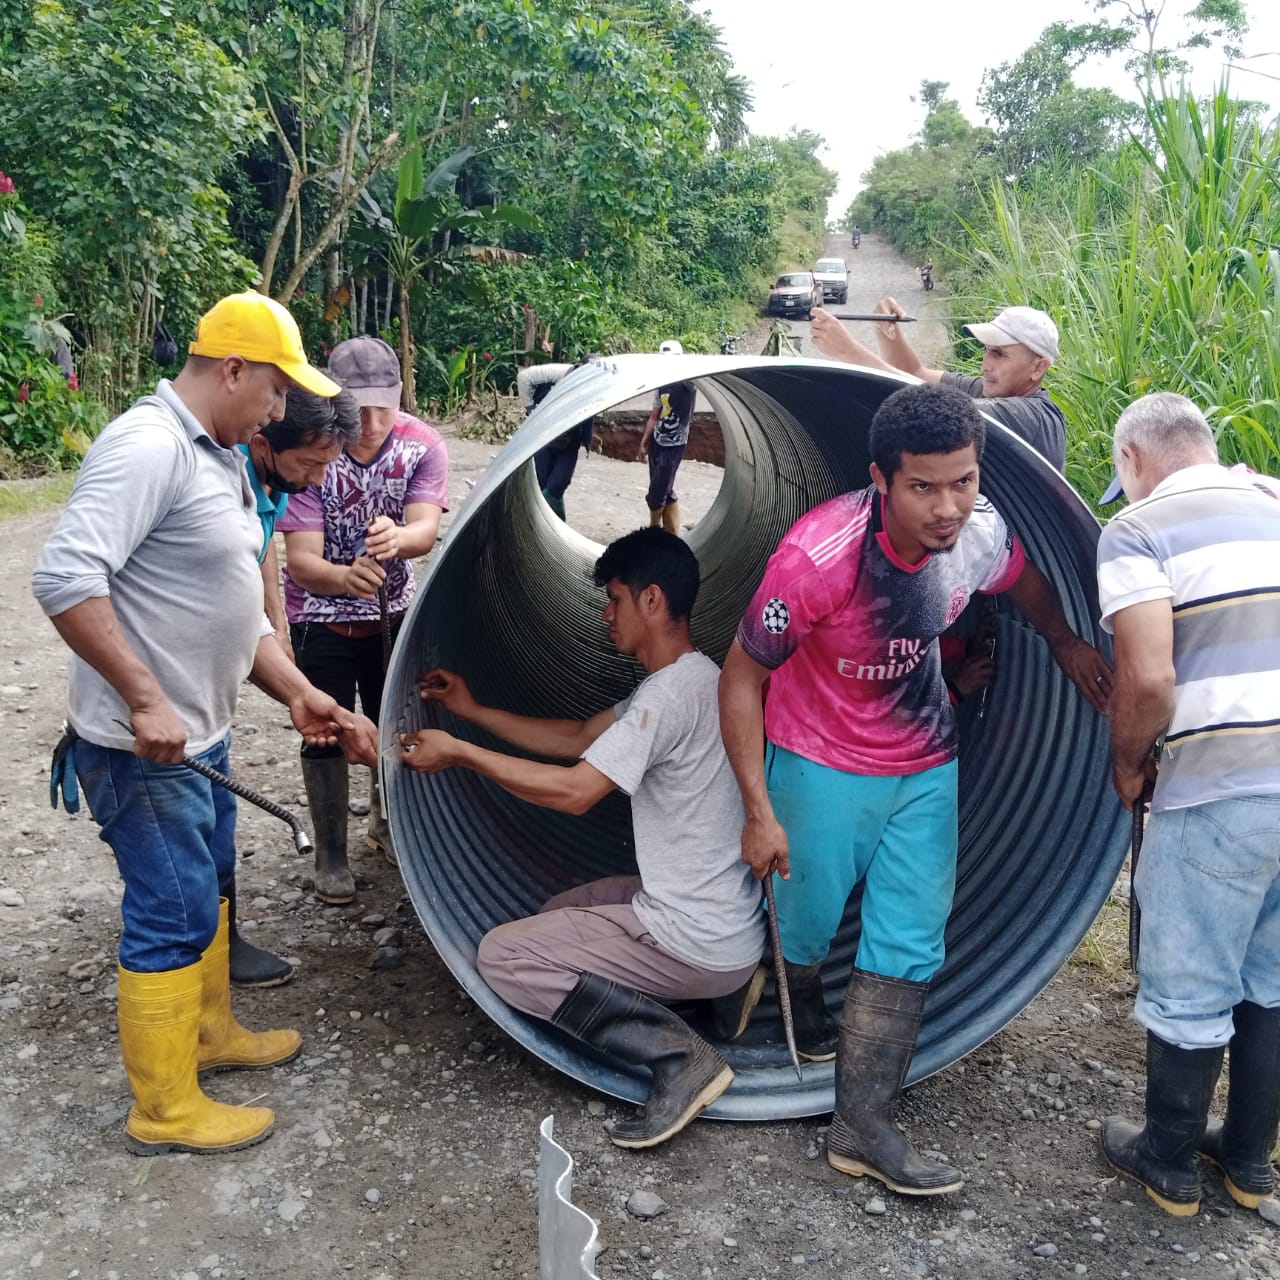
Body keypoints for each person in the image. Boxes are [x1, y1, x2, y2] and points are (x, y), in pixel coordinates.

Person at [717, 382, 1111, 1196]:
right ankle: (798, 994)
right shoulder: (818, 560)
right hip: (821, 762)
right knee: (808, 919)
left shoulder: (978, 533)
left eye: (963, 481)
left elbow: (1025, 581)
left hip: (926, 762)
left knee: (911, 939)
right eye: (924, 487)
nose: (947, 507)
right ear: (880, 479)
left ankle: (862, 1128)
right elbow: (741, 677)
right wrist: (758, 809)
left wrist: (1066, 641)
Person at [31, 291, 379, 1156]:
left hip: (201, 735)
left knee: (212, 887)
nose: (276, 410)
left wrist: (297, 691)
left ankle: (211, 1033)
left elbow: (235, 608)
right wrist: (144, 696)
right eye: (274, 391)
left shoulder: (215, 455)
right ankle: (163, 1110)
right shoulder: (147, 448)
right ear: (231, 370)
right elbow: (66, 576)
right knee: (173, 910)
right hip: (146, 748)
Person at [400, 528, 765, 1149]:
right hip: (728, 927)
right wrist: (472, 711)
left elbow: (575, 791)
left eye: (615, 599)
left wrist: (462, 753)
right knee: (560, 913)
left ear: (652, 600)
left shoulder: (668, 697)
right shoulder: (696, 678)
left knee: (507, 956)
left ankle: (679, 1057)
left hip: (693, 938)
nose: (606, 614)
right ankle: (724, 996)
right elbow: (575, 738)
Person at [1094, 392, 1280, 1218]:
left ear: (1132, 459)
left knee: (1190, 978)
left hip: (1220, 787)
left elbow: (1148, 676)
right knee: (1270, 977)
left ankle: (1167, 1162)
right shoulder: (1274, 500)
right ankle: (1249, 1161)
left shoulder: (1139, 530)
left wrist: (1129, 763)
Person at [279, 335, 449, 903]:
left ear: (400, 396)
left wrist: (398, 539)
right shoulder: (312, 450)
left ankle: (386, 822)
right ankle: (330, 853)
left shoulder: (422, 446)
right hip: (319, 617)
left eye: (383, 407)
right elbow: (303, 562)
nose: (371, 423)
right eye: (358, 409)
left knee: (391, 724)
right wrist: (344, 578)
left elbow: (425, 529)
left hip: (392, 614)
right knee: (324, 730)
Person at [227, 386, 362, 986]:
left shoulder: (271, 483)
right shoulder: (214, 479)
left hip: (201, 708)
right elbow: (67, 578)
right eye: (311, 463)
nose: (320, 478)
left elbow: (260, 549)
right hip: (157, 710)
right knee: (175, 870)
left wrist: (276, 621)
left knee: (212, 834)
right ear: (264, 444)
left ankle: (219, 953)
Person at [811, 301, 1067, 474]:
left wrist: (849, 351)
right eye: (987, 351)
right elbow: (916, 374)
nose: (985, 365)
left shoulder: (1034, 417)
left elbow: (929, 404)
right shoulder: (991, 390)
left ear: (1038, 368)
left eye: (999, 354)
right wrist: (886, 330)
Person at [517, 358, 598, 521]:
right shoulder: (558, 373)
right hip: (544, 436)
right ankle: (546, 521)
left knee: (559, 483)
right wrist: (531, 410)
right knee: (542, 481)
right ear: (579, 366)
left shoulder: (595, 385)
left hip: (570, 441)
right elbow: (523, 377)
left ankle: (539, 518)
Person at [637, 340, 695, 533]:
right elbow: (654, 416)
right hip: (657, 442)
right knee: (665, 490)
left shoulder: (688, 384)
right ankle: (672, 536)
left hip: (674, 445)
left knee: (656, 494)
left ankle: (653, 532)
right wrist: (644, 443)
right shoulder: (661, 385)